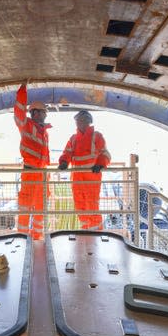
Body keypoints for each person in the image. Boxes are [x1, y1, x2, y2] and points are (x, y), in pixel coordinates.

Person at [58, 110, 111, 230]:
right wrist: (64, 162)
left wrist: (100, 164)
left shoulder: (96, 136)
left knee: (92, 206)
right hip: (77, 180)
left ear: (88, 121)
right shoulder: (73, 139)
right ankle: (85, 231)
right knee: (80, 206)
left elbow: (106, 154)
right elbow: (67, 153)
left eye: (81, 120)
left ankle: (96, 234)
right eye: (78, 121)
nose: (79, 123)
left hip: (91, 179)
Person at [14, 80, 51, 240]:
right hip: (30, 174)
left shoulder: (45, 132)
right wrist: (23, 90)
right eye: (43, 112)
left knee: (41, 210)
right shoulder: (26, 125)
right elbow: (19, 111)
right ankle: (22, 241)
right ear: (35, 112)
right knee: (25, 209)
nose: (45, 115)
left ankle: (37, 239)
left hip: (43, 176)